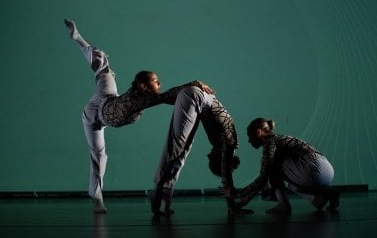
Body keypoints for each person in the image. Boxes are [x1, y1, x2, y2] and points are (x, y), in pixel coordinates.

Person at [64, 19, 213, 213]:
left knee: (104, 70)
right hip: (93, 116)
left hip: (108, 97)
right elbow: (171, 95)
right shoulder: (141, 100)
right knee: (99, 156)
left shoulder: (143, 97)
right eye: (155, 81)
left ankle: (79, 39)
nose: (159, 83)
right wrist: (194, 83)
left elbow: (168, 95)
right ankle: (98, 199)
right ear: (143, 86)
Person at [150, 85, 244, 216]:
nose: (208, 155)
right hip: (196, 98)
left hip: (197, 100)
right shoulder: (229, 144)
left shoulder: (225, 144)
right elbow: (226, 174)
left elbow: (226, 169)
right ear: (220, 158)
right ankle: (158, 191)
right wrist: (232, 205)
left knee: (183, 149)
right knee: (178, 146)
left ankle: (164, 202)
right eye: (210, 158)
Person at [235, 118, 340, 213]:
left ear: (258, 132)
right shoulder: (281, 138)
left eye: (250, 136)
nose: (249, 141)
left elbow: (263, 178)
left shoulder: (270, 143)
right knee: (292, 186)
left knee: (270, 168)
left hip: (311, 170)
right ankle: (321, 198)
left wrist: (238, 194)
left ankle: (284, 205)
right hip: (327, 168)